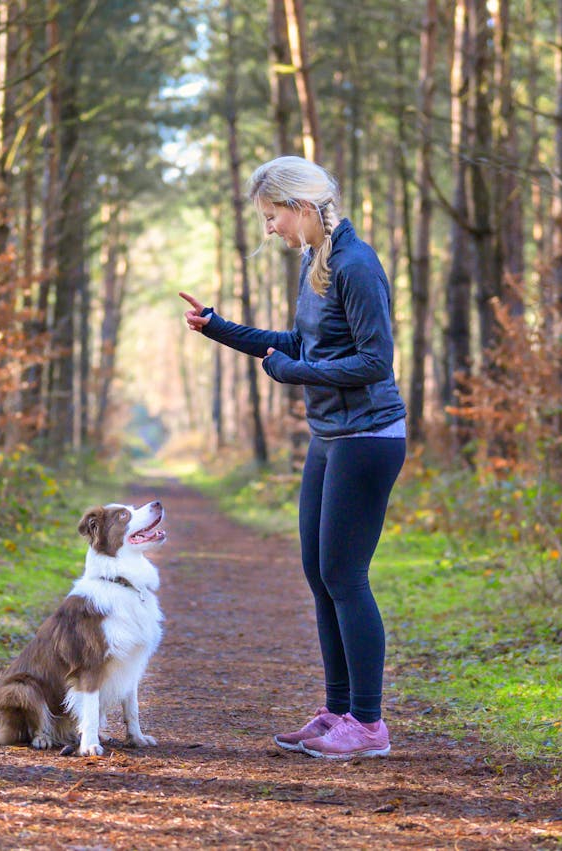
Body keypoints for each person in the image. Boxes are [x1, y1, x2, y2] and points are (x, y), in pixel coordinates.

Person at [179, 155, 406, 760]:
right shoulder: (318, 260)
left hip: (369, 436)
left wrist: (291, 372)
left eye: (272, 215)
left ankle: (369, 724)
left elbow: (374, 361)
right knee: (320, 574)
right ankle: (338, 712)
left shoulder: (356, 264)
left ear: (302, 207)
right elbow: (302, 344)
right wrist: (219, 327)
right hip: (331, 435)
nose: (270, 227)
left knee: (346, 577)